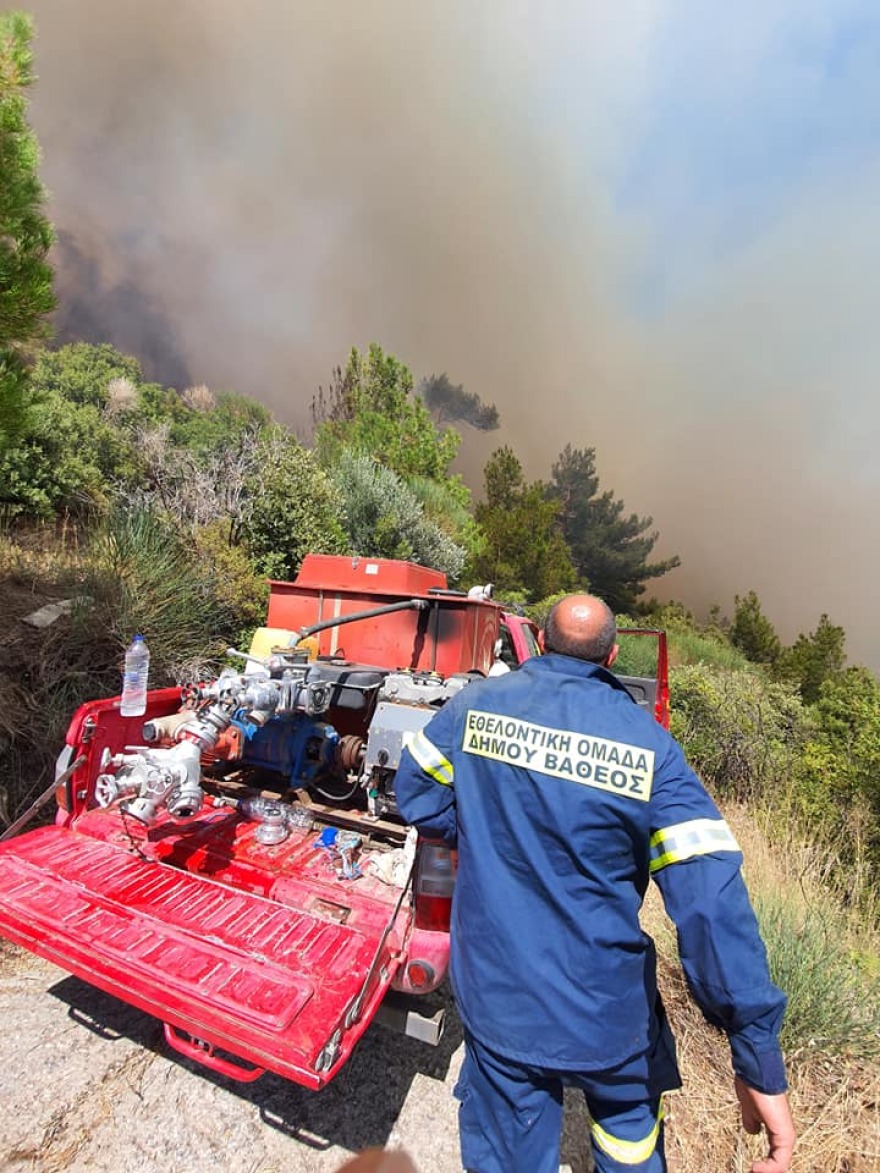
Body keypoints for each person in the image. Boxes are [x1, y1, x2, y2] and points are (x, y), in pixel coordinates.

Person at [394, 594, 795, 1173]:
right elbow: (710, 906)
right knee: (628, 1146)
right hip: (609, 1017)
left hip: (501, 1000)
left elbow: (418, 790)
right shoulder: (652, 748)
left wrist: (482, 833)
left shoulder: (475, 706)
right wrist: (756, 1057)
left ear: (541, 644)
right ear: (611, 656)